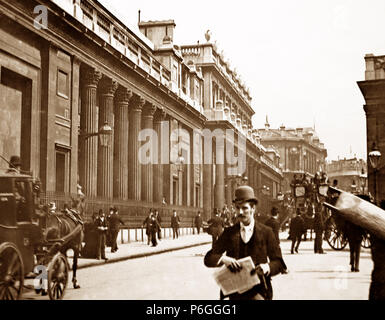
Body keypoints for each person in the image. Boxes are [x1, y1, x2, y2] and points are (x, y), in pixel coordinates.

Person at [204, 185, 286, 300]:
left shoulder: (266, 232)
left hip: (259, 292)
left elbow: (279, 263)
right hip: (234, 293)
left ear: (253, 208)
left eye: (244, 208)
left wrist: (267, 267)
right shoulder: (229, 233)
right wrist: (223, 259)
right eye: (237, 208)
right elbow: (208, 258)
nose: (240, 212)